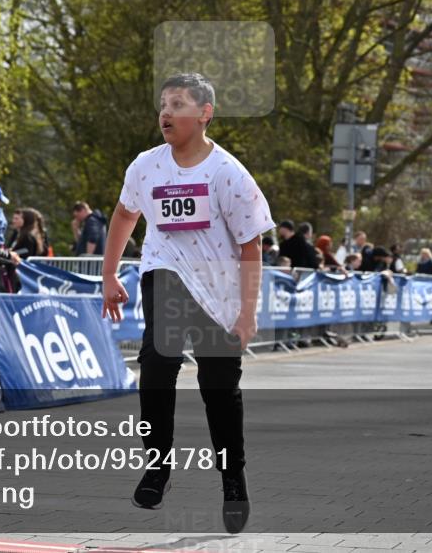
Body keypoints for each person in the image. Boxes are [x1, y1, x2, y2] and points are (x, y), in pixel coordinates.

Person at [100, 72, 273, 534]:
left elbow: (252, 246)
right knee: (157, 360)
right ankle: (157, 467)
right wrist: (110, 274)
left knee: (219, 392)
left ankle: (232, 479)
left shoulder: (228, 174)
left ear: (204, 114)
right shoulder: (146, 166)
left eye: (177, 104)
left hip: (219, 292)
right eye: (162, 104)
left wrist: (248, 313)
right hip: (166, 272)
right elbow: (124, 214)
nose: (166, 113)